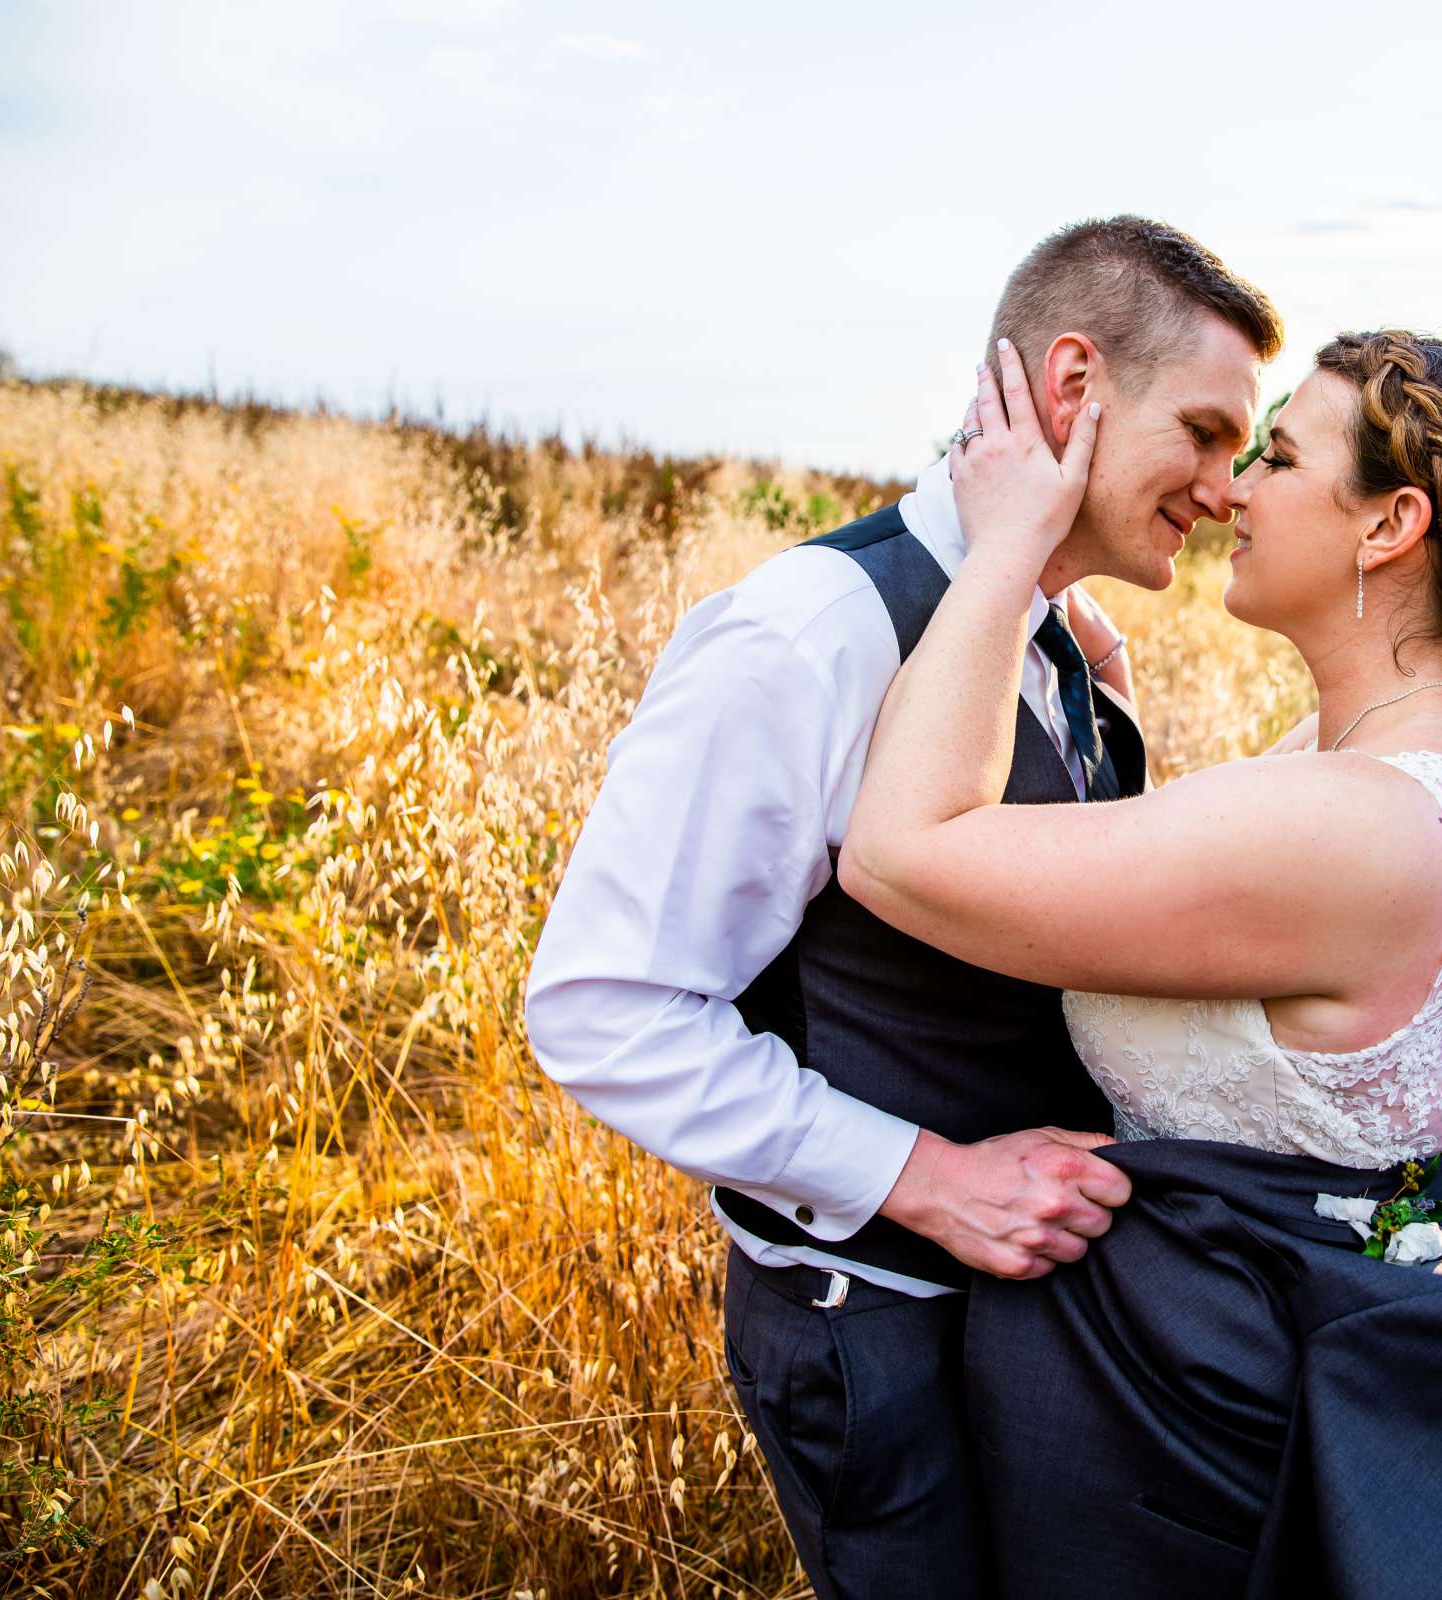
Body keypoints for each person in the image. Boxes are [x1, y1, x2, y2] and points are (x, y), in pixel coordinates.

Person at [835, 331, 1442, 1595]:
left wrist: (1010, 545)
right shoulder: (1414, 746)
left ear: (1390, 523)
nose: (1231, 490)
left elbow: (899, 855)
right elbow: (1240, 944)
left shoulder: (1359, 820)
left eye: (1276, 457)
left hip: (1230, 1393)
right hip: (1248, 1332)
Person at [522, 215, 1282, 1596]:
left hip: (1039, 1326)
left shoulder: (1060, 636)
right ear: (1074, 387)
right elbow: (604, 1010)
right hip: (870, 1334)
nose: (1230, 488)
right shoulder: (814, 633)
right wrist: (929, 1181)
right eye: (1209, 433)